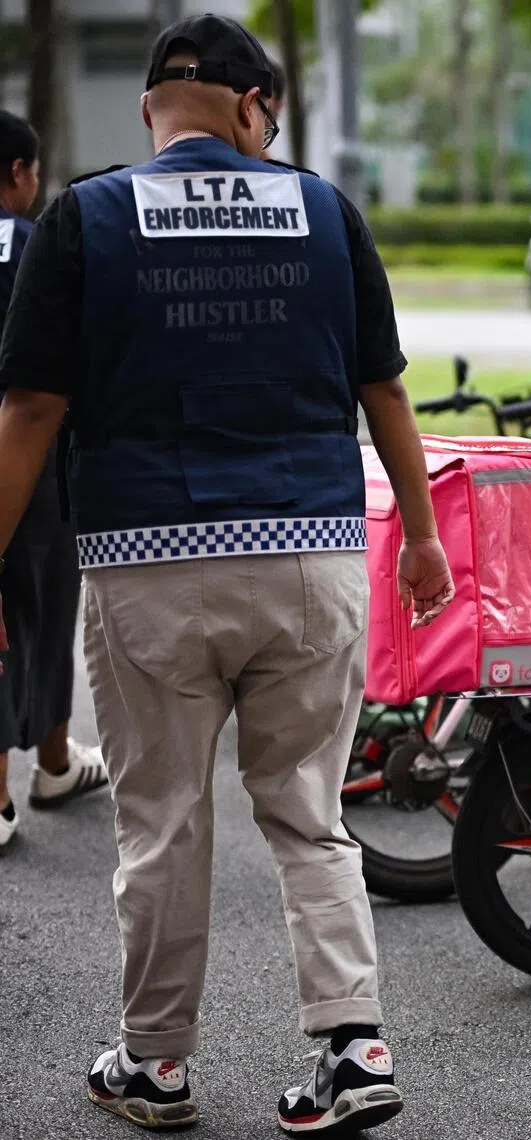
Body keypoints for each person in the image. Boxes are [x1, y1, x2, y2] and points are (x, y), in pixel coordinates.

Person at [0, 14, 454, 1135]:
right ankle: (353, 1050)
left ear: (155, 105)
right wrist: (430, 538)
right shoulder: (323, 209)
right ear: (254, 108)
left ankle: (154, 1066)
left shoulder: (84, 218)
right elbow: (384, 389)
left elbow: (30, 408)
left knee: (163, 822)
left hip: (148, 566)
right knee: (310, 817)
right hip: (312, 560)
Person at [0, 110, 106, 852]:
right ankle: (54, 762)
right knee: (42, 605)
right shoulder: (34, 247)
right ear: (17, 173)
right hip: (29, 456)